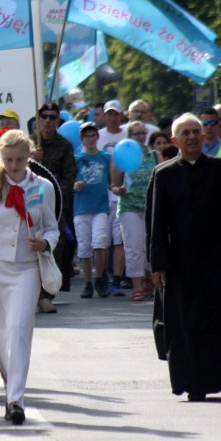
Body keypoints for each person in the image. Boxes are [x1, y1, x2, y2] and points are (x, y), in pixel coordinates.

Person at [146, 113, 221, 402]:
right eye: (186, 133)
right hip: (180, 262)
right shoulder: (164, 174)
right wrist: (158, 264)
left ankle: (214, 378)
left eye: (196, 132)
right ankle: (190, 383)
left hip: (218, 259)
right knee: (184, 323)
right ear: (175, 140)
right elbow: (157, 224)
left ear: (204, 137)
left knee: (218, 320)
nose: (192, 137)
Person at [0, 129, 59, 425]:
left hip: (27, 268)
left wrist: (45, 243)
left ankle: (15, 399)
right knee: (2, 336)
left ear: (29, 155)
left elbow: (52, 227)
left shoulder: (43, 186)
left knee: (19, 331)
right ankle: (11, 385)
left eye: (20, 159)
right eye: (8, 159)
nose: (15, 165)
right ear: (0, 156)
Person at [31, 102, 76, 313]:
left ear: (58, 120)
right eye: (44, 116)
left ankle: (47, 294)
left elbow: (69, 177)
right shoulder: (28, 142)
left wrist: (55, 194)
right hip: (26, 203)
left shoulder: (64, 145)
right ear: (39, 118)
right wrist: (31, 159)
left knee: (52, 247)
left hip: (53, 204)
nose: (48, 121)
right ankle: (29, 292)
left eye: (52, 117)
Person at [111, 121, 161, 300]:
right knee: (133, 247)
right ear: (129, 136)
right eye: (136, 134)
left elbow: (162, 179)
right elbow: (114, 185)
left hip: (151, 207)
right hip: (129, 207)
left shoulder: (154, 156)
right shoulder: (121, 154)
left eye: (143, 133)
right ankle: (137, 285)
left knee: (150, 246)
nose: (141, 136)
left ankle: (150, 279)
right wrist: (119, 190)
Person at [72, 122, 112, 299]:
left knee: (100, 242)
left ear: (97, 137)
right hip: (81, 208)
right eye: (87, 136)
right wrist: (75, 186)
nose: (90, 139)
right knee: (84, 248)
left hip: (100, 206)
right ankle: (88, 283)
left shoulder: (106, 157)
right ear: (82, 139)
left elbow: (113, 179)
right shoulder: (76, 158)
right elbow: (69, 181)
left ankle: (99, 278)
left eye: (93, 135)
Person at [96, 100, 128, 296]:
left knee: (119, 240)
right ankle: (102, 276)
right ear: (105, 116)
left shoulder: (126, 136)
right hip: (101, 195)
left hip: (121, 194)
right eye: (109, 114)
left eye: (115, 114)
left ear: (121, 115)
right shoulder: (98, 137)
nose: (112, 117)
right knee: (103, 240)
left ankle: (117, 277)